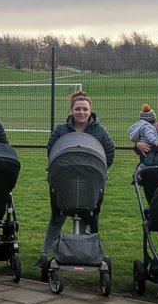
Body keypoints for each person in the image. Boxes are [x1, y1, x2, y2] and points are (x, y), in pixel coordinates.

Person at [40, 90, 115, 262]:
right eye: (78, 109)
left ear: (90, 111)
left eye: (85, 109)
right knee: (57, 218)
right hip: (64, 181)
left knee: (91, 217)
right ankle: (46, 254)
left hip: (91, 181)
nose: (81, 112)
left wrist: (99, 169)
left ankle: (89, 254)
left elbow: (109, 152)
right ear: (71, 110)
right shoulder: (61, 130)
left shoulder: (100, 132)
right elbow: (52, 150)